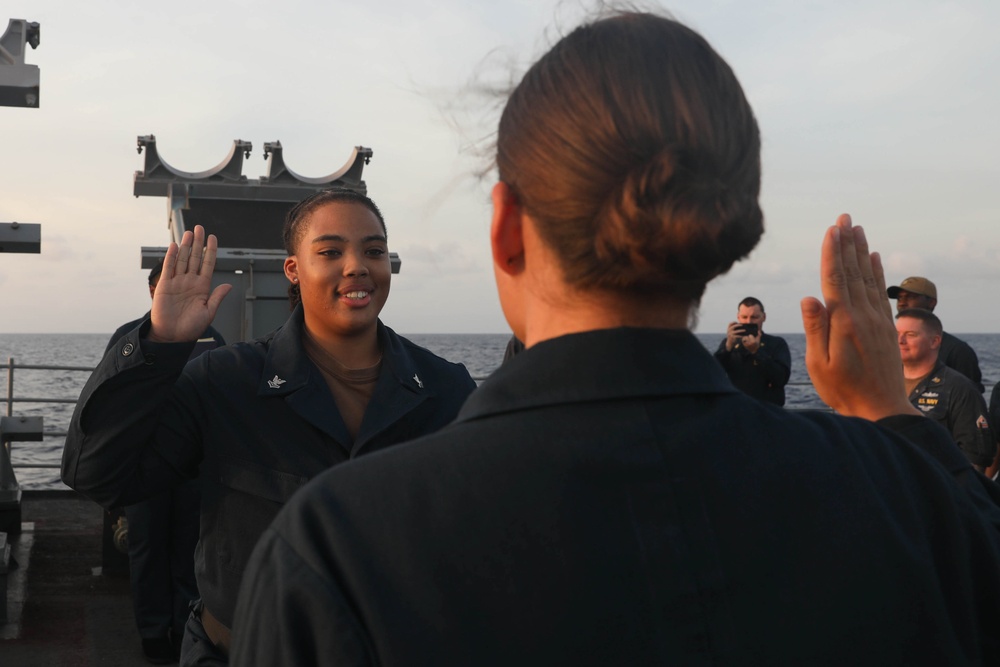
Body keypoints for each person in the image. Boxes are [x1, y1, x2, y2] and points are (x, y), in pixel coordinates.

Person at [230, 13, 1000, 666]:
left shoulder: (342, 546)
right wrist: (889, 418)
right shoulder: (893, 499)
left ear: (505, 229)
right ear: (717, 231)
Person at [61, 188, 478, 666]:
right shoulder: (225, 381)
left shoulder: (445, 390)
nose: (357, 265)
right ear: (293, 270)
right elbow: (98, 474)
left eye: (374, 250)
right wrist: (158, 346)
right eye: (330, 251)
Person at [107, 260, 225, 664]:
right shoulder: (128, 337)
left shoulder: (213, 339)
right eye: (164, 285)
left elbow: (223, 405)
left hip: (195, 469)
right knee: (146, 550)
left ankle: (184, 630)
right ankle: (154, 634)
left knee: (190, 553)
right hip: (143, 468)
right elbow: (109, 405)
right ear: (153, 290)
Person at [897, 308, 995, 473]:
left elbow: (976, 459)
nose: (900, 340)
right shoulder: (882, 384)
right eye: (895, 333)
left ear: (934, 341)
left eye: (910, 334)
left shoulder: (960, 389)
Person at [888, 276, 983, 392]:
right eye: (899, 298)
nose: (902, 303)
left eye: (911, 297)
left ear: (931, 303)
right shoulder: (887, 345)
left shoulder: (957, 350)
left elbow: (969, 398)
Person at [713, 296, 791, 406]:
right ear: (738, 317)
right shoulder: (729, 343)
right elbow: (713, 372)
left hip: (767, 410)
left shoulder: (776, 343)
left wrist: (757, 352)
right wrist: (728, 347)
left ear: (763, 317)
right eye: (744, 317)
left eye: (754, 317)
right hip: (737, 408)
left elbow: (781, 378)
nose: (749, 321)